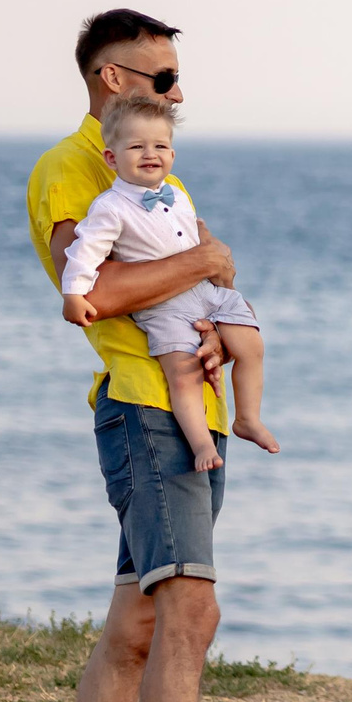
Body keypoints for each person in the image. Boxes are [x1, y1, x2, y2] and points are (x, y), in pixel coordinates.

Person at [26, 8, 269, 702]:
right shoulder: (68, 169)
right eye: (161, 78)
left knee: (136, 622)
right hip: (143, 410)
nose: (176, 92)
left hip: (182, 398)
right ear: (111, 79)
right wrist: (205, 262)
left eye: (178, 78)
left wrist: (209, 331)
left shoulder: (150, 167)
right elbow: (97, 286)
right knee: (189, 610)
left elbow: (182, 278)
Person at [59, 93, 278, 472]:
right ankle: (201, 444)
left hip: (205, 291)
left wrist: (217, 279)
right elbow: (85, 250)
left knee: (252, 344)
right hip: (162, 303)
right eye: (136, 146)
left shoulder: (176, 194)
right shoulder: (110, 207)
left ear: (172, 155)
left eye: (160, 145)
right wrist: (73, 293)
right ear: (112, 158)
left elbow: (196, 241)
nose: (150, 153)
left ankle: (247, 418)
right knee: (183, 372)